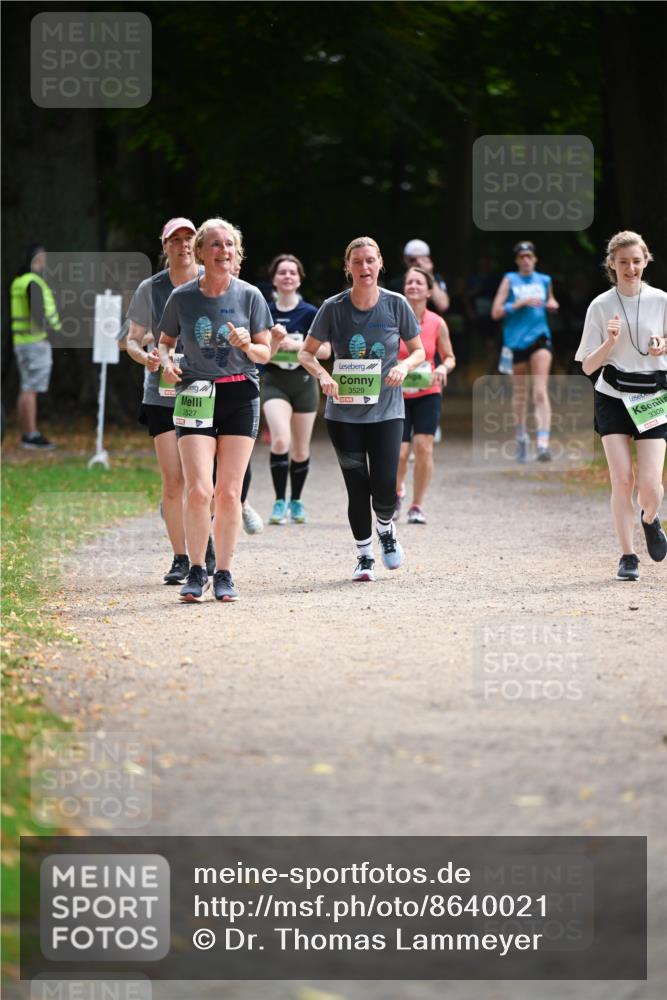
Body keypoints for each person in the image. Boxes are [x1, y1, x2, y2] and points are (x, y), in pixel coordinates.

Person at [158, 217, 272, 603]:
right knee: (198, 490)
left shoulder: (250, 296)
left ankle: (224, 572)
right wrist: (167, 362)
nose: (224, 252)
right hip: (194, 393)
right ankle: (195, 569)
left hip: (239, 395)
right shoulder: (183, 297)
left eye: (229, 246)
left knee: (228, 493)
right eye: (216, 245)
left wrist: (245, 346)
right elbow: (164, 342)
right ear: (202, 252)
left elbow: (265, 352)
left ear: (236, 253)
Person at [299, 236, 425, 582]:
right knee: (357, 487)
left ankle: (385, 528)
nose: (365, 267)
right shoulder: (333, 307)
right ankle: (365, 556)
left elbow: (418, 351)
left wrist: (403, 366)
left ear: (380, 263)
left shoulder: (396, 304)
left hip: (387, 411)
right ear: (348, 267)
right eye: (358, 262)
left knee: (385, 486)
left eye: (370, 260)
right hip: (343, 414)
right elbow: (306, 353)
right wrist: (323, 376)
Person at [575, 230, 667, 581]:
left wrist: (663, 344)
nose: (631, 268)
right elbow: (587, 366)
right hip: (612, 396)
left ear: (646, 261)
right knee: (622, 480)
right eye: (623, 262)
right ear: (611, 264)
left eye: (636, 261)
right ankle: (628, 556)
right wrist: (610, 343)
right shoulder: (600, 306)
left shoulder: (661, 300)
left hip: (653, 396)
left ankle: (649, 518)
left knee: (650, 484)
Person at [123, 217, 203, 585]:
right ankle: (180, 558)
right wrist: (146, 357)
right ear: (164, 244)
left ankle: (207, 548)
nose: (183, 244)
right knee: (174, 480)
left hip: (205, 390)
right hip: (162, 393)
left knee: (201, 479)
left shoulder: (211, 282)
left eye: (189, 238)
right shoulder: (150, 288)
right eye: (176, 239)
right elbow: (132, 339)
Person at [263, 254, 330, 524]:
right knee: (281, 440)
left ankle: (297, 501)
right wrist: (277, 343)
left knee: (300, 449)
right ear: (274, 279)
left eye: (293, 272)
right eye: (282, 272)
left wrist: (299, 347)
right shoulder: (265, 311)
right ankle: (279, 501)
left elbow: (325, 351)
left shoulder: (311, 313)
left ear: (300, 278)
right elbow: (260, 355)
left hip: (304, 383)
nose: (288, 276)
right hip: (274, 382)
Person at [394, 267, 456, 524]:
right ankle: (397, 492)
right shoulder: (391, 319)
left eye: (419, 282)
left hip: (428, 392)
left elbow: (450, 357)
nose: (413, 285)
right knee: (398, 453)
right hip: (395, 392)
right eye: (409, 282)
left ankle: (416, 506)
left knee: (423, 447)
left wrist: (442, 367)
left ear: (429, 291)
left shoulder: (437, 323)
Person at [491, 240, 559, 462]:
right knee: (520, 394)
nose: (526, 260)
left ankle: (543, 444)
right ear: (517, 260)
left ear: (535, 259)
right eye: (522, 257)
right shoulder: (510, 279)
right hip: (515, 343)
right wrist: (518, 304)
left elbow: (551, 301)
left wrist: (552, 305)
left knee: (540, 391)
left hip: (540, 339)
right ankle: (521, 437)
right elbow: (496, 312)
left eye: (529, 256)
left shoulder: (545, 280)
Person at [10, 244, 62, 449]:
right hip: (35, 342)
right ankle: (31, 434)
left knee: (26, 387)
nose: (45, 262)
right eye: (42, 258)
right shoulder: (33, 282)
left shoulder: (19, 282)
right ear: (36, 259)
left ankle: (26, 433)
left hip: (21, 342)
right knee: (31, 389)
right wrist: (52, 332)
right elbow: (38, 314)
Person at [389, 239, 449, 314]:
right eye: (412, 260)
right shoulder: (396, 283)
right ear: (405, 260)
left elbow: (443, 306)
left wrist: (429, 274)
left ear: (428, 259)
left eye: (422, 258)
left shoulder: (436, 278)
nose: (418, 262)